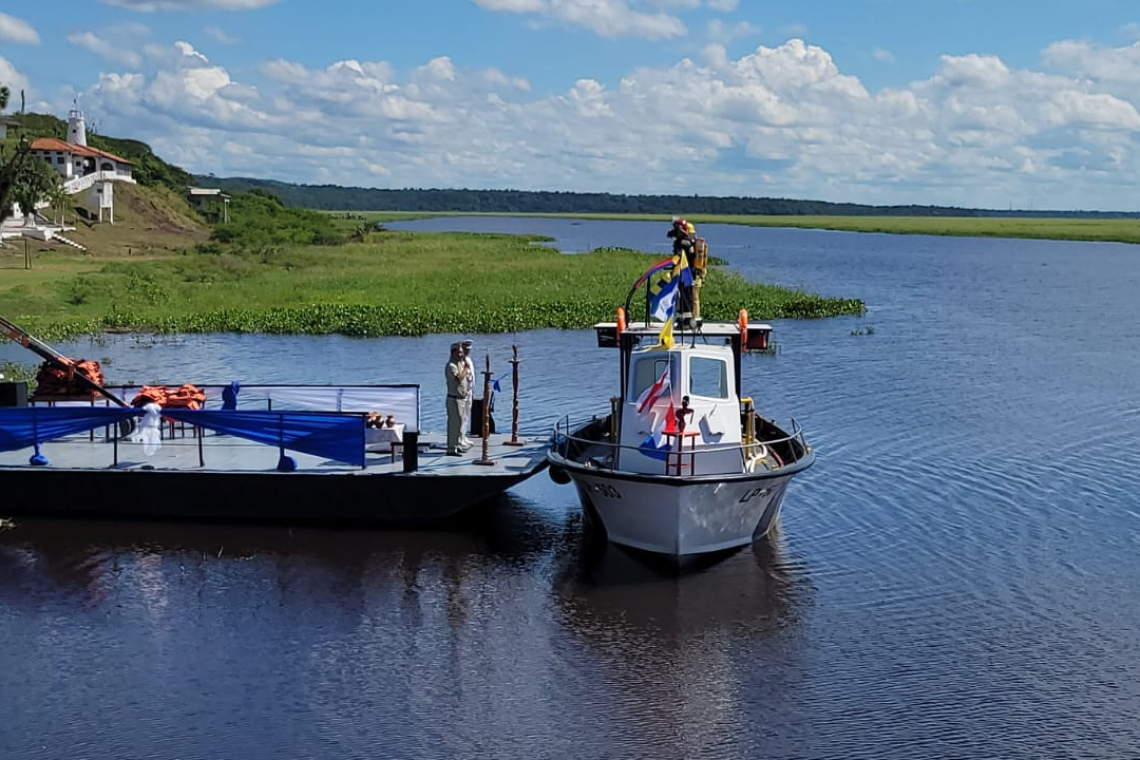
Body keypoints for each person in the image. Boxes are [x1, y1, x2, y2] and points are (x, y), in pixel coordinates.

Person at [666, 217, 697, 326]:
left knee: (687, 296)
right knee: (679, 296)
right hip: (680, 272)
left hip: (687, 273)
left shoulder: (686, 243)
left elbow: (685, 257)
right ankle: (680, 318)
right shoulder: (681, 241)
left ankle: (687, 321)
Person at [445, 342, 471, 456]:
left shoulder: (461, 363)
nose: (461, 354)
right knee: (454, 424)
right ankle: (451, 448)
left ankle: (458, 444)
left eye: (462, 352)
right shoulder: (451, 366)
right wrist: (466, 369)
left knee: (460, 424)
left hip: (462, 398)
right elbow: (458, 379)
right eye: (459, 352)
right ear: (453, 353)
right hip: (454, 399)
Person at [461, 340, 475, 447]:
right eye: (466, 349)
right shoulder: (460, 361)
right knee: (461, 416)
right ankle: (460, 437)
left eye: (469, 349)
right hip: (462, 392)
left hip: (469, 391)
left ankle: (464, 436)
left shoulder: (469, 360)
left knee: (467, 415)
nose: (467, 351)